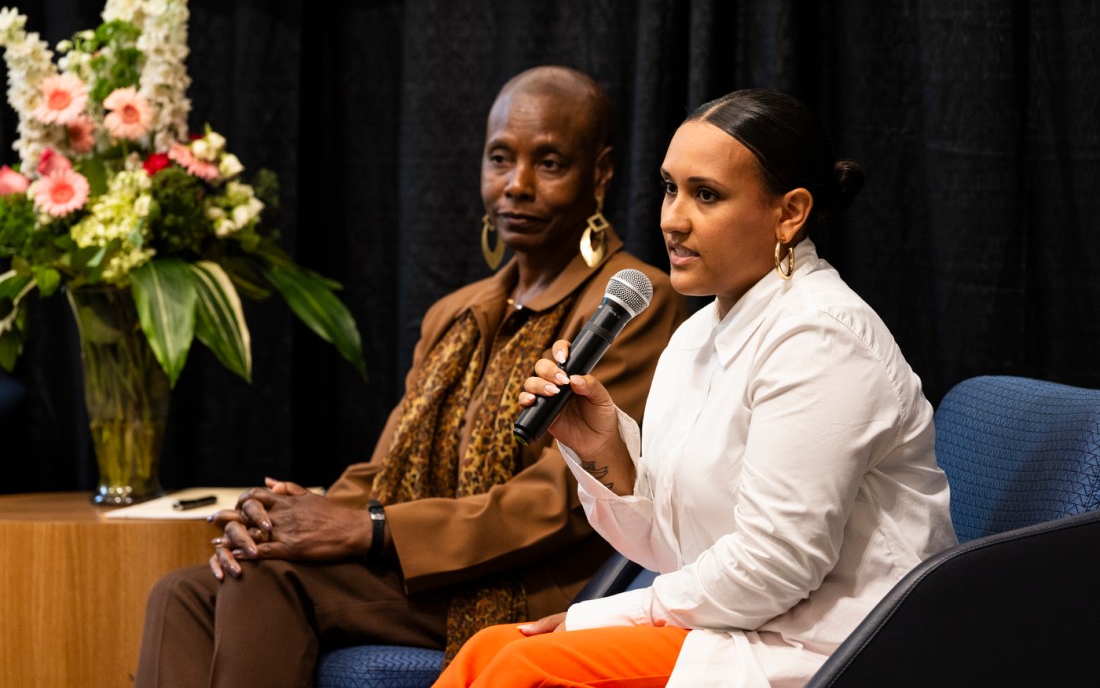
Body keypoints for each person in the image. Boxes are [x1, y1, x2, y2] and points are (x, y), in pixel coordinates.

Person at [134, 66, 687, 687]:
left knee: (267, 578)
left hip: (527, 583)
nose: (517, 185)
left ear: (601, 173)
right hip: (421, 567)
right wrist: (290, 516)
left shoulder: (630, 307)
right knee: (185, 591)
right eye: (500, 159)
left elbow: (560, 502)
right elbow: (386, 466)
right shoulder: (457, 311)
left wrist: (370, 529)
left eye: (550, 163)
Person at [435, 89, 958, 688]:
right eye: (668, 188)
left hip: (838, 650)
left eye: (705, 195)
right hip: (743, 628)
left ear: (790, 213)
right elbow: (671, 547)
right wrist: (603, 452)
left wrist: (606, 616)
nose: (671, 219)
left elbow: (775, 567)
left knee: (523, 666)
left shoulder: (821, 338)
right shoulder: (697, 334)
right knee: (486, 649)